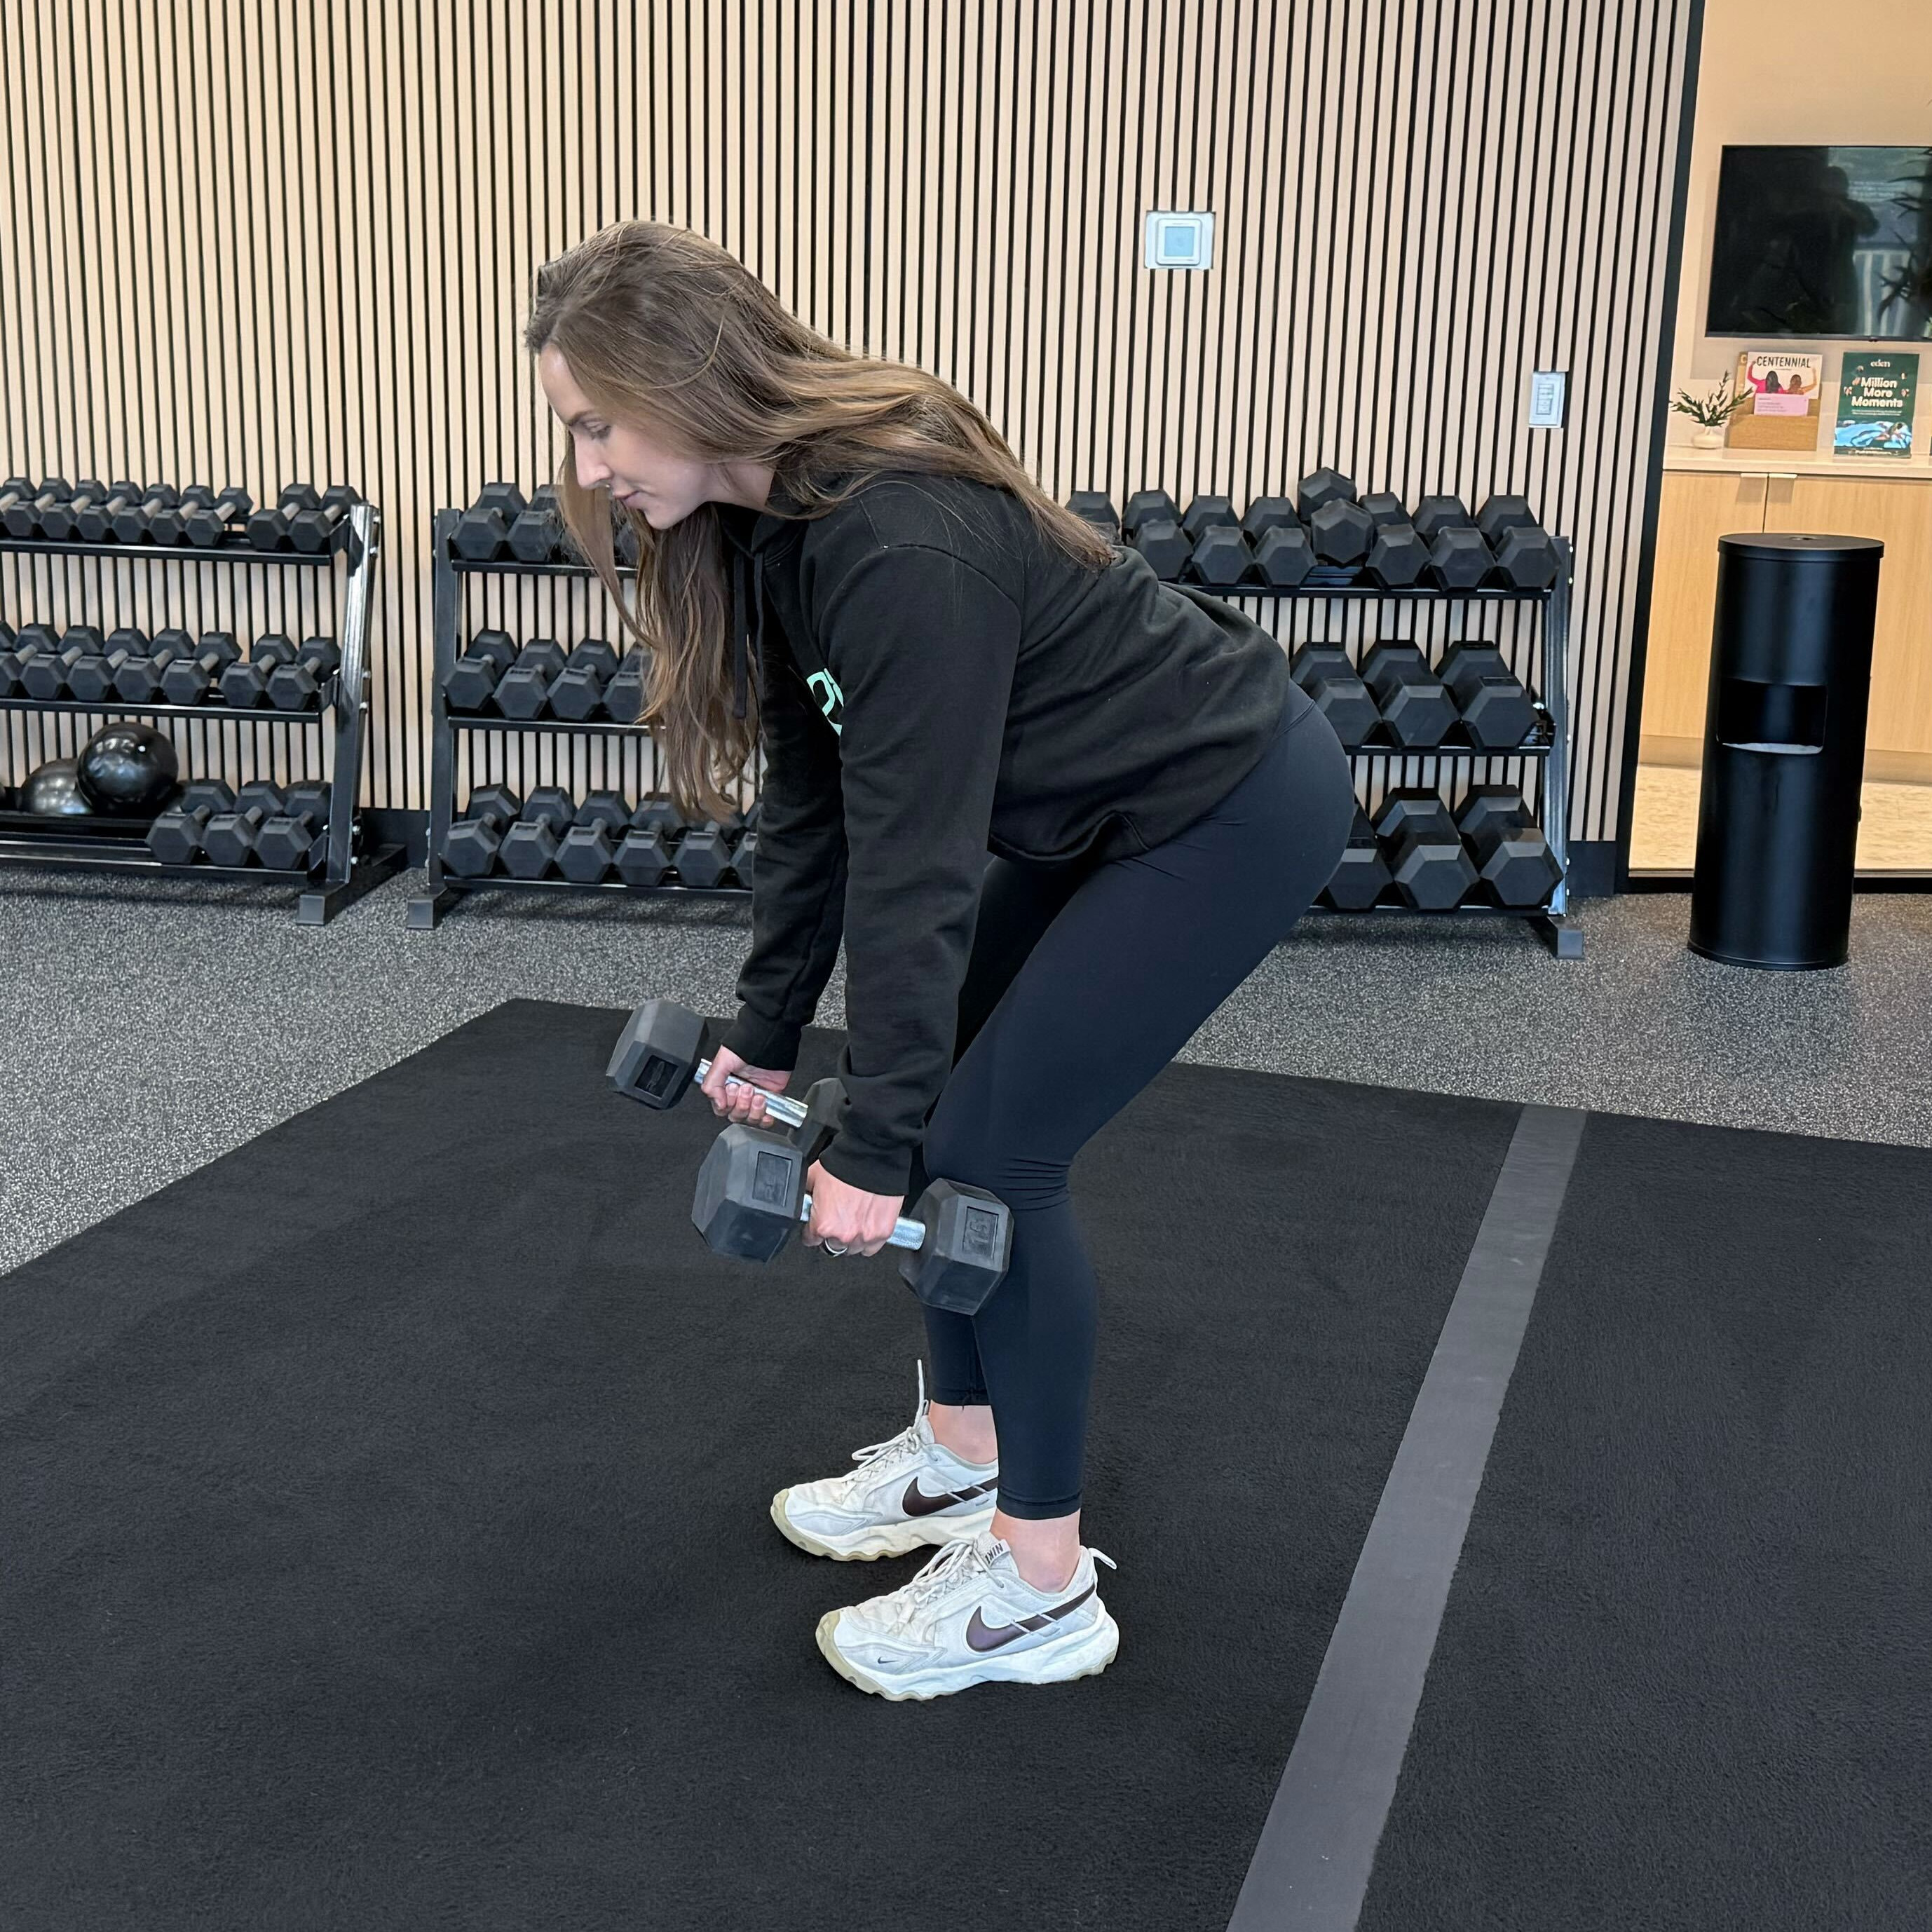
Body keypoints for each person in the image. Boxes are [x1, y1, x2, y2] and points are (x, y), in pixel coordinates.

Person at [525, 221, 1356, 1701]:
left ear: (685, 382)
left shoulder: (897, 539)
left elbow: (918, 863)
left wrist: (878, 1146)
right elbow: (817, 793)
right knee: (928, 1118)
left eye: (597, 424)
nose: (586, 467)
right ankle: (963, 1459)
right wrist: (769, 1027)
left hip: (1224, 803)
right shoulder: (766, 531)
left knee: (983, 1155)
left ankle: (1040, 1589)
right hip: (1091, 809)